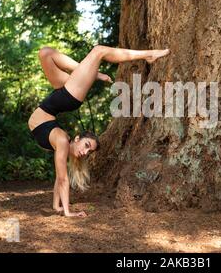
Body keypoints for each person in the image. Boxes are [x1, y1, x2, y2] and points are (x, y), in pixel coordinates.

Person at [28, 45, 170, 217]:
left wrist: (62, 210)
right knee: (70, 52)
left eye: (88, 151)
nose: (85, 152)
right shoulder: (62, 142)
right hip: (66, 97)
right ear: (78, 138)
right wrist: (63, 210)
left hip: (64, 95)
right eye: (87, 146)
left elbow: (62, 178)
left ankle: (141, 57)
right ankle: (143, 56)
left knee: (66, 52)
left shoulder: (62, 142)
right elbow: (62, 178)